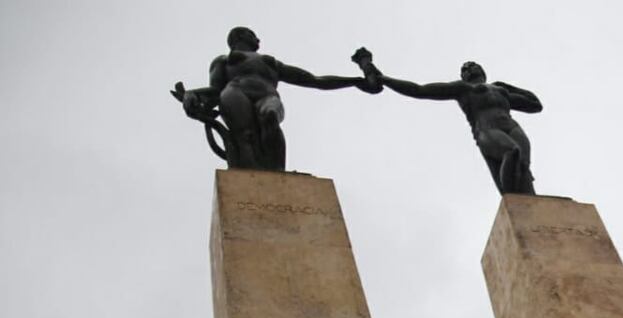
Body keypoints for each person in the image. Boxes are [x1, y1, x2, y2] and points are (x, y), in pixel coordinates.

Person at [177, 27, 372, 170]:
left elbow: (314, 80)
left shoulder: (272, 63)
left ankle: (278, 171)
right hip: (235, 92)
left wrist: (354, 81)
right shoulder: (223, 61)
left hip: (267, 95)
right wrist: (193, 95)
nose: (258, 39)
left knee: (270, 116)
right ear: (239, 36)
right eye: (253, 35)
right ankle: (250, 174)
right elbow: (215, 91)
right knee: (245, 136)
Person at [357, 56, 542, 193]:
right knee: (511, 151)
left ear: (483, 70)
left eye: (473, 66)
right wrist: (384, 79)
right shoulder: (462, 89)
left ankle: (529, 201)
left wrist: (507, 87)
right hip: (487, 129)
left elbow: (535, 105)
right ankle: (513, 200)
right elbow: (420, 90)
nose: (469, 68)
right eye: (465, 69)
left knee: (523, 165)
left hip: (511, 125)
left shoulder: (500, 90)